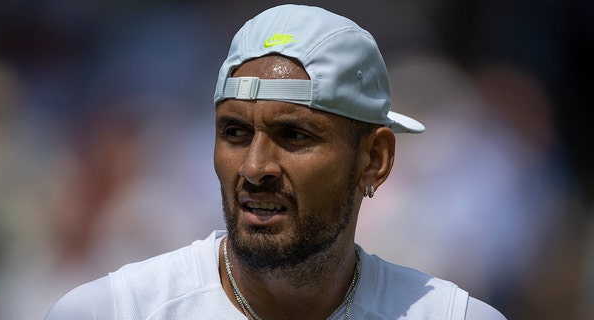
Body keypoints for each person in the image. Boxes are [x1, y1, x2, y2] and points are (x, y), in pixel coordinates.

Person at [45, 4, 506, 319]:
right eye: (235, 132)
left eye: (294, 135)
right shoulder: (113, 312)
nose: (254, 167)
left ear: (375, 159)